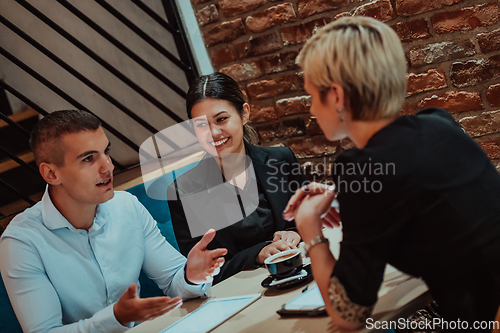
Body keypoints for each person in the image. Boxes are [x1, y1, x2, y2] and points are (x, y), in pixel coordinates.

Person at [282, 16, 500, 331]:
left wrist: (308, 226)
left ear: (338, 97)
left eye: (313, 96)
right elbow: (430, 214)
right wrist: (347, 203)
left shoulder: (361, 167)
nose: (313, 110)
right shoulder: (438, 123)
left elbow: (349, 313)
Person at [0, 110, 227, 332]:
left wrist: (191, 275)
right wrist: (115, 318)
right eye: (88, 158)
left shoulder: (127, 206)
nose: (107, 166)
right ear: (51, 174)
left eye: (105, 152)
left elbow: (173, 281)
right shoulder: (21, 241)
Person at [168, 72, 308, 284]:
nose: (214, 132)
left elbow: (314, 218)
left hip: (300, 272)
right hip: (241, 295)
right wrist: (258, 253)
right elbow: (202, 271)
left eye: (221, 119)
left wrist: (296, 233)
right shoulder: (184, 191)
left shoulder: (282, 159)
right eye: (201, 125)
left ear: (244, 114)